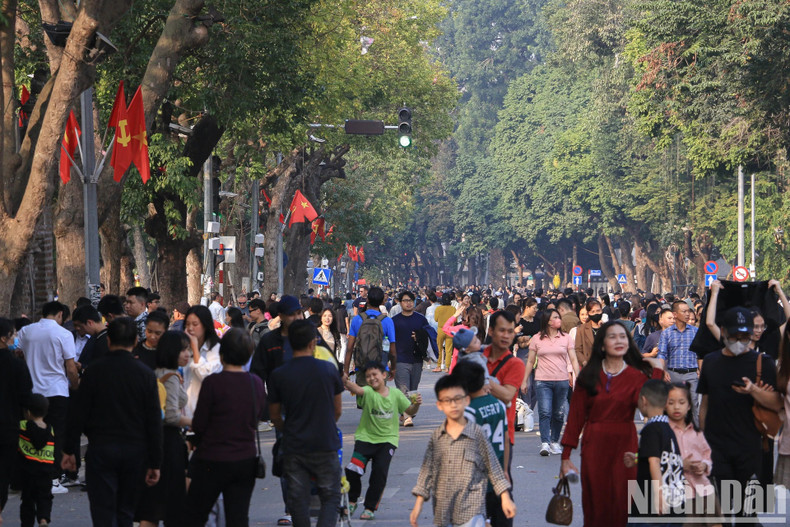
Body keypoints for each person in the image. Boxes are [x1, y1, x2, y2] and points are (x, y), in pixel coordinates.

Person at [61, 317, 162, 527]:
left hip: (101, 449)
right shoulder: (145, 375)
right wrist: (155, 461)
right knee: (126, 510)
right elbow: (153, 420)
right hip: (135, 451)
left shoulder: (94, 372)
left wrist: (69, 449)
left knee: (103, 511)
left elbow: (78, 414)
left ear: (108, 341)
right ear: (135, 340)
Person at [560, 321, 663, 526]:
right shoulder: (588, 376)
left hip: (626, 445)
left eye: (623, 336)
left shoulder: (636, 377)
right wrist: (565, 456)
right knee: (595, 504)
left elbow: (651, 407)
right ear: (602, 344)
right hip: (594, 444)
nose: (619, 341)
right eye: (612, 337)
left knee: (624, 503)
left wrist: (657, 371)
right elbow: (576, 417)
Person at [697, 306, 781, 518]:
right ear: (723, 331)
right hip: (717, 446)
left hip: (751, 446)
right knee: (722, 509)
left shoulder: (764, 363)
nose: (739, 340)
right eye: (734, 335)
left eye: (745, 335)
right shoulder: (711, 361)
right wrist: (701, 439)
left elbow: (776, 404)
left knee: (748, 512)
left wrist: (753, 390)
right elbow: (705, 401)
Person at [409, 374, 515, 527]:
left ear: (466, 400)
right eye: (447, 401)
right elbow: (427, 470)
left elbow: (493, 466)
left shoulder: (476, 431)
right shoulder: (438, 436)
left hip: (472, 507)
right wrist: (418, 503)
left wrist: (505, 497)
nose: (453, 405)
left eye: (457, 400)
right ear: (440, 405)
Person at [185, 329, 265, 526]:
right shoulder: (255, 383)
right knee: (237, 517)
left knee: (196, 514)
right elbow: (257, 417)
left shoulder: (213, 382)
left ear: (222, 354)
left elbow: (200, 423)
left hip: (212, 458)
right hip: (245, 458)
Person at [268, 320, 343, 527]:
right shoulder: (328, 370)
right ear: (313, 342)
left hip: (294, 444)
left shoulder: (279, 374)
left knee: (298, 498)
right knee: (330, 496)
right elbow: (337, 410)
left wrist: (288, 429)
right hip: (325, 442)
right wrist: (324, 424)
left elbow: (274, 415)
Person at [342, 363, 421, 520]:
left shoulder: (396, 394)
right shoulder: (368, 392)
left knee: (379, 475)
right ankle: (352, 500)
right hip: (365, 438)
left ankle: (370, 508)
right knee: (353, 470)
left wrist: (416, 404)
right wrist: (345, 379)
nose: (372, 378)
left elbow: (409, 411)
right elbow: (357, 389)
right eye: (368, 376)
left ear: (384, 375)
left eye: (375, 374)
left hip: (387, 441)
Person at [17, 301, 79, 494]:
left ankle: (28, 475)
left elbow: (18, 352)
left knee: (29, 432)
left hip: (33, 390)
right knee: (56, 433)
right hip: (57, 391)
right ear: (60, 314)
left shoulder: (27, 331)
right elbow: (70, 366)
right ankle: (52, 477)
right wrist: (76, 385)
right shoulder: (63, 334)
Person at [136, 331, 192, 527]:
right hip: (169, 443)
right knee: (172, 505)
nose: (188, 354)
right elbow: (171, 417)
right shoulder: (171, 377)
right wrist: (194, 421)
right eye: (183, 350)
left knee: (152, 504)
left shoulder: (154, 373)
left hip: (153, 440)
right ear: (172, 351)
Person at [455, 361, 511, 527]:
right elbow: (506, 439)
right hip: (498, 474)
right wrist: (506, 469)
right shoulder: (498, 404)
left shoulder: (468, 411)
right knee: (496, 517)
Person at [623, 380, 686, 522]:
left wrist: (659, 494)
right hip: (675, 501)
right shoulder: (670, 428)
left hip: (651, 502)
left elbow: (655, 461)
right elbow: (662, 455)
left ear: (643, 400)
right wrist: (638, 458)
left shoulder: (651, 429)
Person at [520, 308, 579, 456]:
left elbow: (573, 359)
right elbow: (530, 361)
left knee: (559, 413)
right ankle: (545, 443)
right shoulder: (537, 338)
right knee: (545, 412)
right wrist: (524, 380)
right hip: (542, 380)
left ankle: (554, 441)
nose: (559, 320)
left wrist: (578, 377)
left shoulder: (566, 338)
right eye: (555, 317)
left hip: (562, 380)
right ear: (547, 321)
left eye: (559, 317)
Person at [665, 382, 720, 524]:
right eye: (671, 402)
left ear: (689, 406)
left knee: (715, 522)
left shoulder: (696, 433)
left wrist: (704, 465)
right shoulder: (663, 432)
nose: (676, 407)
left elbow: (707, 455)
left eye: (681, 402)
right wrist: (679, 464)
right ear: (664, 405)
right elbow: (654, 458)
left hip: (703, 488)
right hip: (680, 493)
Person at [483, 311, 526, 476]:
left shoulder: (515, 364)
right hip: (474, 434)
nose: (507, 335)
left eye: (510, 331)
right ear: (491, 331)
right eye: (502, 330)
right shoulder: (477, 357)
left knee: (499, 492)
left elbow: (507, 395)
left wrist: (482, 377)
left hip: (501, 437)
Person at [0, 317, 32, 525]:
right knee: (3, 474)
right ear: (4, 339)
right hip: (7, 427)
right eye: (13, 335)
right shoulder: (17, 366)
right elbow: (26, 398)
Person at [345, 287, 397, 386]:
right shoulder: (387, 321)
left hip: (361, 368)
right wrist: (393, 368)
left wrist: (346, 371)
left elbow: (349, 348)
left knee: (363, 399)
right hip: (381, 368)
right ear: (383, 301)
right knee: (378, 399)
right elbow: (393, 351)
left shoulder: (357, 319)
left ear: (367, 300)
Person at [657, 301, 700, 418]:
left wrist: (700, 369)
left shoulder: (695, 332)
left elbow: (700, 353)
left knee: (694, 405)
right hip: (672, 374)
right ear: (675, 314)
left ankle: (695, 433)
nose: (687, 314)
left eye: (688, 311)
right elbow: (662, 354)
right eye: (684, 311)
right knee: (672, 406)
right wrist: (663, 371)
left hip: (691, 374)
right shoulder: (666, 334)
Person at [392, 290, 428, 425]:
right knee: (404, 389)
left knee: (413, 389)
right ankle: (408, 416)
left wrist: (419, 337)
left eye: (411, 300)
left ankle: (407, 413)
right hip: (400, 359)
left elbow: (428, 337)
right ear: (400, 303)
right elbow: (389, 341)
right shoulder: (394, 321)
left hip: (417, 359)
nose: (408, 303)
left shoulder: (421, 319)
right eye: (405, 300)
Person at [18, 394, 54, 527]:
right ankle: (43, 519)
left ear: (27, 412)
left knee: (27, 500)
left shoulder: (22, 427)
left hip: (28, 472)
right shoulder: (51, 430)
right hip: (46, 472)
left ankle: (27, 524)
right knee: (45, 497)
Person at [183, 305, 222, 418]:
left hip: (206, 414)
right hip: (184, 415)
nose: (190, 328)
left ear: (205, 325)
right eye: (187, 324)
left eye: (195, 324)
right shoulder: (183, 349)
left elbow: (208, 378)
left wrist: (195, 348)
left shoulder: (216, 348)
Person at [574, 299, 603, 368]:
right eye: (593, 311)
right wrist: (584, 362)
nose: (596, 313)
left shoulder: (607, 328)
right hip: (589, 366)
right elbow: (577, 349)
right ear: (589, 313)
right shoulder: (581, 329)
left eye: (598, 311)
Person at [433, 293, 456, 372]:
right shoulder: (453, 309)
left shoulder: (438, 308)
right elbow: (455, 320)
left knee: (439, 348)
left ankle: (439, 366)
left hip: (440, 329)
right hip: (449, 330)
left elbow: (436, 319)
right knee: (448, 349)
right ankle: (447, 367)